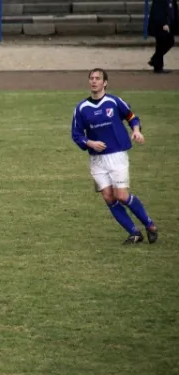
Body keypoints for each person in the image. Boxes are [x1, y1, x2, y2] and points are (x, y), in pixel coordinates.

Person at [71, 68, 158, 244]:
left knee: (121, 196)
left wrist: (136, 131)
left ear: (105, 83)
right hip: (97, 159)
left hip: (117, 155)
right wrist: (90, 143)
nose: (94, 81)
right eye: (91, 78)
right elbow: (76, 134)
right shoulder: (82, 108)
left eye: (98, 78)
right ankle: (134, 233)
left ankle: (150, 225)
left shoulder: (113, 101)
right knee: (108, 197)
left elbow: (132, 117)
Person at [148, 0, 178, 73]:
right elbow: (158, 11)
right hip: (160, 25)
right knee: (163, 43)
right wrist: (163, 23)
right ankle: (157, 65)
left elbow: (174, 11)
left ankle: (156, 62)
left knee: (165, 43)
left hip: (168, 25)